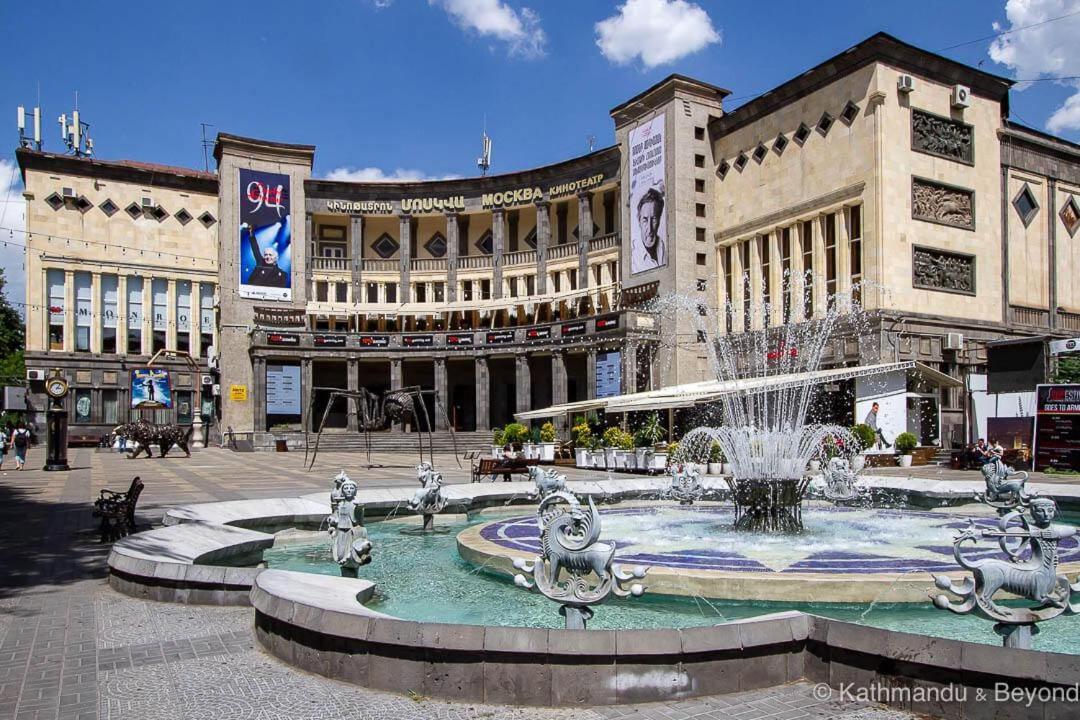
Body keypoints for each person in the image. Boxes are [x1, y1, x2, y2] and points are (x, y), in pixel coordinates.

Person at [635, 187, 666, 271]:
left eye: (654, 219)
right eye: (645, 220)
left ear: (659, 219)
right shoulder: (633, 255)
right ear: (639, 220)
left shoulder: (663, 246)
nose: (650, 229)